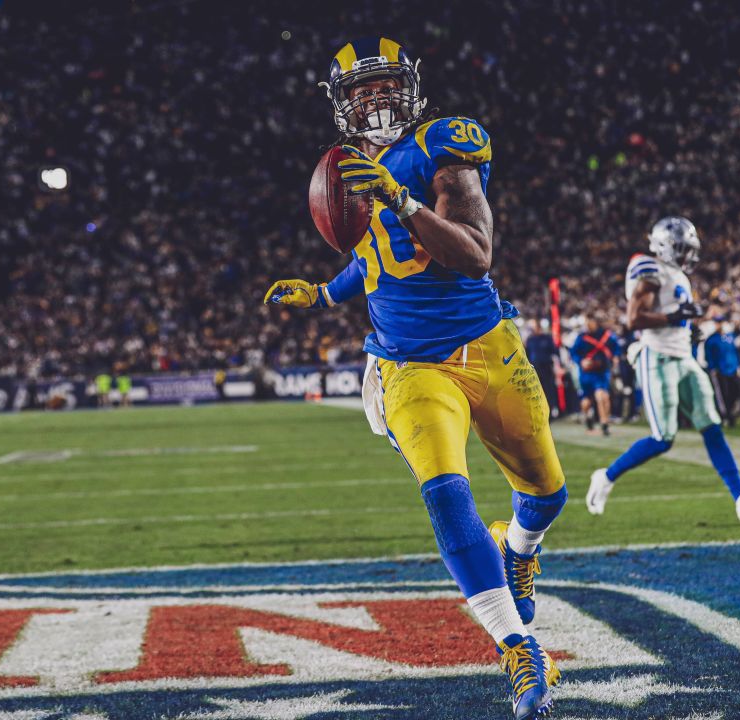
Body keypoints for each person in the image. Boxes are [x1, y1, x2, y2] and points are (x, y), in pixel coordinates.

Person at [262, 37, 562, 720]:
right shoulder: (345, 171)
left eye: (384, 84)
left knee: (545, 492)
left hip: (485, 346)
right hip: (407, 364)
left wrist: (401, 199)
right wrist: (321, 293)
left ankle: (518, 550)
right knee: (445, 490)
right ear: (341, 105)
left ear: (411, 88)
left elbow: (475, 256)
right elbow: (372, 261)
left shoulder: (443, 148)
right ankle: (517, 647)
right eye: (361, 91)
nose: (375, 100)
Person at [587, 217, 740, 522]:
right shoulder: (648, 269)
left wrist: (687, 330)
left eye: (690, 249)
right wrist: (676, 316)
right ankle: (606, 476)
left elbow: (671, 317)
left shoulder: (678, 275)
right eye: (681, 248)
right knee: (663, 438)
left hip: (683, 357)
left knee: (710, 424)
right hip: (658, 358)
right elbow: (635, 318)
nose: (688, 255)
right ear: (663, 245)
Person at [570, 314, 619, 435]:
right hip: (586, 373)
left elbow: (616, 348)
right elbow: (574, 352)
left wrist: (615, 357)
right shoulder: (581, 337)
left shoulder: (606, 335)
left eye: (589, 322)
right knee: (586, 401)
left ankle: (604, 423)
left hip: (601, 371)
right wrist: (581, 361)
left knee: (602, 396)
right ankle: (588, 419)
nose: (587, 325)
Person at [702, 317, 740, 428]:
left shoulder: (729, 337)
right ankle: (725, 416)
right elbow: (709, 355)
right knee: (722, 395)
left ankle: (730, 413)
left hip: (733, 370)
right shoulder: (712, 339)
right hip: (720, 371)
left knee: (735, 393)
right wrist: (713, 368)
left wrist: (738, 365)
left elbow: (735, 352)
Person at [523, 319, 560, 417]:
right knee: (535, 391)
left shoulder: (547, 338)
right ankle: (538, 412)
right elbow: (526, 354)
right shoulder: (530, 340)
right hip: (534, 370)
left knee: (548, 390)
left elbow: (555, 352)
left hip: (546, 369)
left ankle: (550, 412)